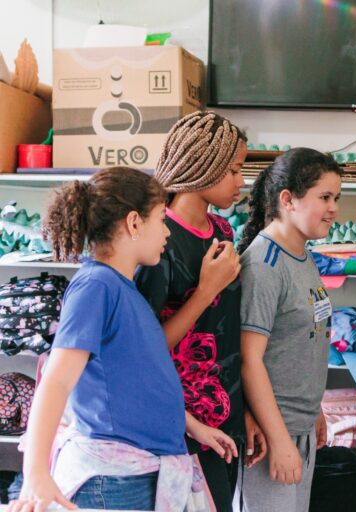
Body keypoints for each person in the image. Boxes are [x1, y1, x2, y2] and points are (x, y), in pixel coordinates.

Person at [9, 167, 236, 511]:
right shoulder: (96, 287)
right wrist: (36, 472)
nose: (166, 233)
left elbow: (138, 378)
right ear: (134, 223)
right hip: (112, 480)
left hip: (133, 474)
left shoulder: (122, 289)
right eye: (161, 219)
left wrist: (191, 426)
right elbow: (56, 381)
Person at [135, 110, 266, 512]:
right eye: (233, 170)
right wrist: (206, 289)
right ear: (201, 165)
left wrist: (242, 410)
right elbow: (144, 349)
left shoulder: (223, 232)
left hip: (225, 416)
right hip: (182, 424)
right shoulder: (159, 244)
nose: (241, 182)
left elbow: (225, 333)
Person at [238, 148, 342, 512]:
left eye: (336, 198)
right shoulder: (264, 264)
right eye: (324, 197)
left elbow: (302, 340)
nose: (334, 208)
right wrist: (279, 439)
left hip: (299, 428)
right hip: (270, 436)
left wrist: (314, 410)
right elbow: (250, 360)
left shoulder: (302, 254)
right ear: (288, 200)